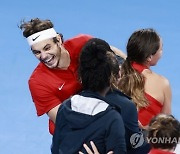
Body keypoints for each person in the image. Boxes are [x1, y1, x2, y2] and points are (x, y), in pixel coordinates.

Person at [19, 18, 126, 135]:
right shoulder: (37, 82)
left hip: (105, 111)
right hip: (74, 133)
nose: (44, 56)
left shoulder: (83, 43)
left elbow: (114, 54)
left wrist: (130, 72)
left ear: (58, 40)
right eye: (37, 52)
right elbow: (63, 119)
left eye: (47, 48)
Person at [51, 38, 126, 154]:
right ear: (112, 79)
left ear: (81, 76)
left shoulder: (65, 108)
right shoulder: (112, 118)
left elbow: (55, 150)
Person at [118, 28, 172, 129]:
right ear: (149, 57)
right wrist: (145, 129)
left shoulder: (116, 74)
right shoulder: (162, 83)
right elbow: (166, 127)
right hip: (145, 142)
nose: (162, 52)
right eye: (161, 49)